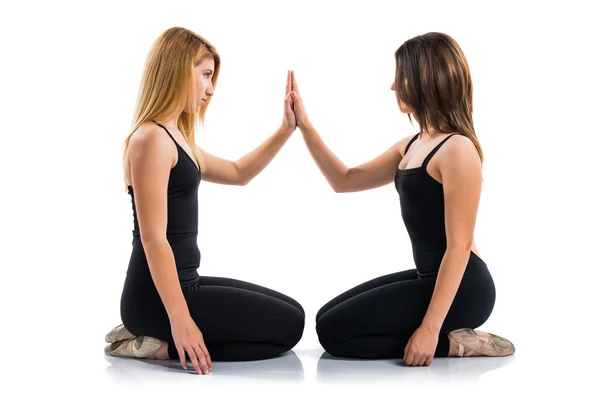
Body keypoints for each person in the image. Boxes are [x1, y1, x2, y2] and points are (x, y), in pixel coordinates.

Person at [288, 32, 515, 367]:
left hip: (466, 288)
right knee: (327, 318)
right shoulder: (411, 145)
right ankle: (447, 336)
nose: (394, 86)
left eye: (402, 76)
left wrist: (428, 329)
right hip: (429, 277)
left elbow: (459, 247)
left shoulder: (458, 150)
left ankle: (452, 344)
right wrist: (304, 126)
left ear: (427, 79)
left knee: (336, 334)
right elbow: (344, 180)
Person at [103, 27, 304, 375]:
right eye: (206, 75)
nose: (211, 89)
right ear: (179, 70)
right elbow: (153, 238)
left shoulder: (176, 137)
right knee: (287, 328)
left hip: (185, 282)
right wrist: (180, 320)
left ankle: (151, 336)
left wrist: (286, 129)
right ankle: (155, 342)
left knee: (291, 313)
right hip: (155, 298)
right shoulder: (151, 138)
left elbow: (239, 172)